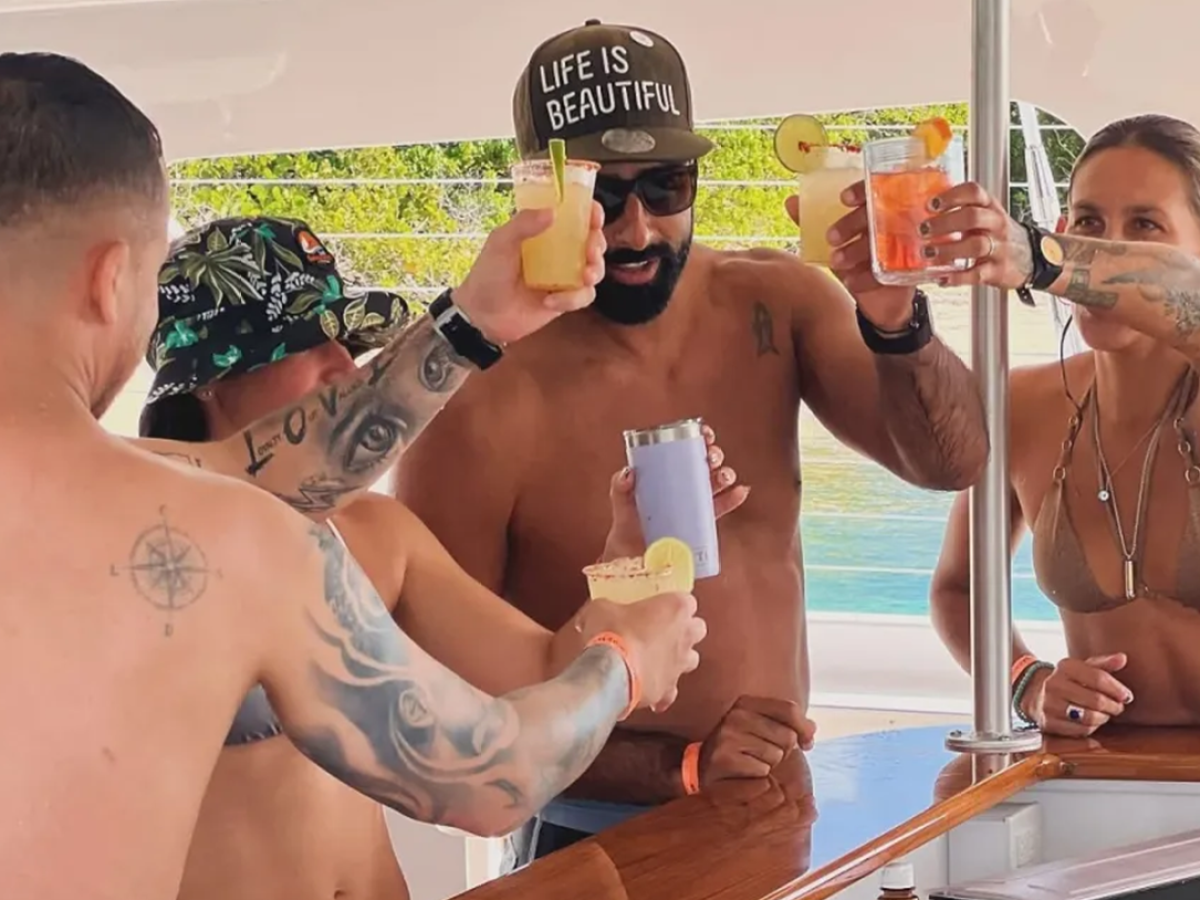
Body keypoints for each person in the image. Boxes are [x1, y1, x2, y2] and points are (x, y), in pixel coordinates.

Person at [0, 51, 707, 899]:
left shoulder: (200, 497)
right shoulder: (227, 537)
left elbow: (251, 470)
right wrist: (625, 659)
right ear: (111, 282)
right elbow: (490, 778)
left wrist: (474, 323)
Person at [393, 19, 990, 863]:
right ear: (539, 195)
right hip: (591, 840)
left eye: (666, 186)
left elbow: (952, 462)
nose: (636, 230)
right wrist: (679, 766)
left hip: (781, 819)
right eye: (599, 195)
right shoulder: (479, 400)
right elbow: (441, 703)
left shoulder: (776, 306)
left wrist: (896, 320)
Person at [137, 214, 744, 900]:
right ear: (211, 377)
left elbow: (543, 671)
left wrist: (629, 563)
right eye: (308, 345)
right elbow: (487, 790)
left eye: (350, 344)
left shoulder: (377, 534)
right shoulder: (154, 556)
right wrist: (627, 664)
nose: (347, 367)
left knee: (598, 885)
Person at [924, 114, 1200, 736]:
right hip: (1101, 782)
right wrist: (1028, 682)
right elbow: (958, 590)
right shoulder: (1021, 403)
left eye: (1145, 227)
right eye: (1089, 224)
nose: (1107, 249)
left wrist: (1038, 257)